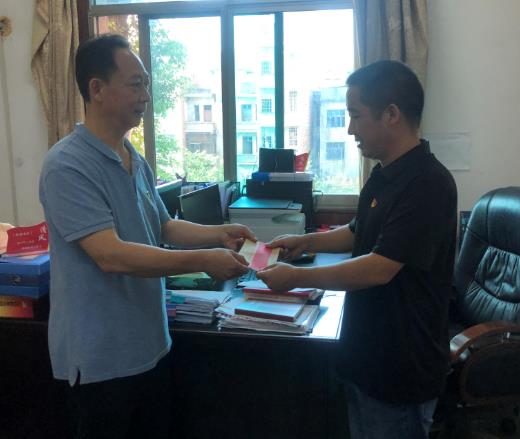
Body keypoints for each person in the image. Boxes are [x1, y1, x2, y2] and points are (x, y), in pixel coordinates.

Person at [39, 34, 253, 439]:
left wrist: (219, 234)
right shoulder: (66, 165)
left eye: (147, 85)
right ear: (97, 89)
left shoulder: (133, 156)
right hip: (101, 362)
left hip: (151, 346)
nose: (146, 96)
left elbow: (163, 226)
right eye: (136, 85)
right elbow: (111, 255)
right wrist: (203, 260)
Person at [257, 60, 457, 439]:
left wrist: (296, 278)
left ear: (391, 115)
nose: (350, 129)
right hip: (366, 355)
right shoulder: (384, 174)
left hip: (400, 369)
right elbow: (357, 231)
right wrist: (305, 241)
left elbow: (379, 268)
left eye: (356, 115)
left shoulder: (428, 184)